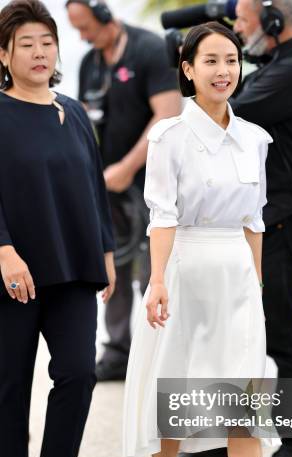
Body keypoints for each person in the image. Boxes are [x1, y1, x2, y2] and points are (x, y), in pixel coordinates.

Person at [123, 22, 279, 457]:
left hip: (237, 279)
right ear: (187, 69)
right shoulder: (168, 137)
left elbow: (253, 221)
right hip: (184, 271)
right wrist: (158, 280)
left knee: (244, 404)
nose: (223, 71)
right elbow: (161, 215)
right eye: (210, 61)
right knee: (176, 394)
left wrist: (255, 288)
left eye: (232, 60)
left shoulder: (256, 139)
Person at [176, 0, 292, 457]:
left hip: (280, 222)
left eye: (242, 22)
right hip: (255, 221)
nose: (237, 30)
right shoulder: (275, 67)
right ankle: (228, 440)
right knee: (232, 336)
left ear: (276, 22)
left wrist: (199, 68)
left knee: (281, 333)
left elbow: (222, 111)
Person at [0, 0, 115, 457]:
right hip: (12, 272)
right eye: (27, 43)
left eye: (47, 41)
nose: (40, 51)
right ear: (4, 54)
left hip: (73, 268)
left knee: (78, 372)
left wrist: (107, 254)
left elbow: (94, 191)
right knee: (9, 383)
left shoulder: (72, 113)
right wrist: (3, 250)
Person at [66, 0, 182, 382]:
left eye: (86, 27)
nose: (83, 36)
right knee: (110, 263)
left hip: (154, 182)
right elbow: (82, 118)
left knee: (153, 267)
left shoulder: (148, 50)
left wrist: (128, 167)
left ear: (104, 15)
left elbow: (168, 113)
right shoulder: (91, 62)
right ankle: (117, 352)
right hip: (106, 186)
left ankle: (156, 353)